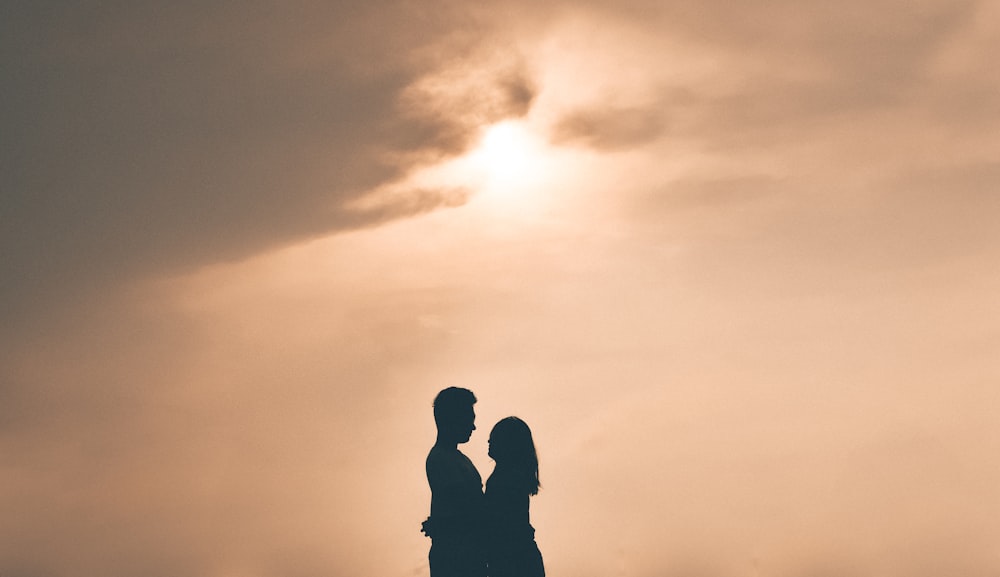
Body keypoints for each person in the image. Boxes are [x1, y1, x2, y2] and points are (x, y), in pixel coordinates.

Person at [422, 387, 487, 577]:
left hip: (467, 557)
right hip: (456, 561)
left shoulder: (456, 458)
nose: (473, 427)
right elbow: (466, 510)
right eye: (469, 419)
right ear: (453, 419)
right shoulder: (440, 459)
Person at [485, 416, 545, 577]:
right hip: (519, 559)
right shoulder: (511, 476)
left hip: (514, 562)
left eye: (495, 437)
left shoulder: (507, 479)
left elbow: (498, 523)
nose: (489, 441)